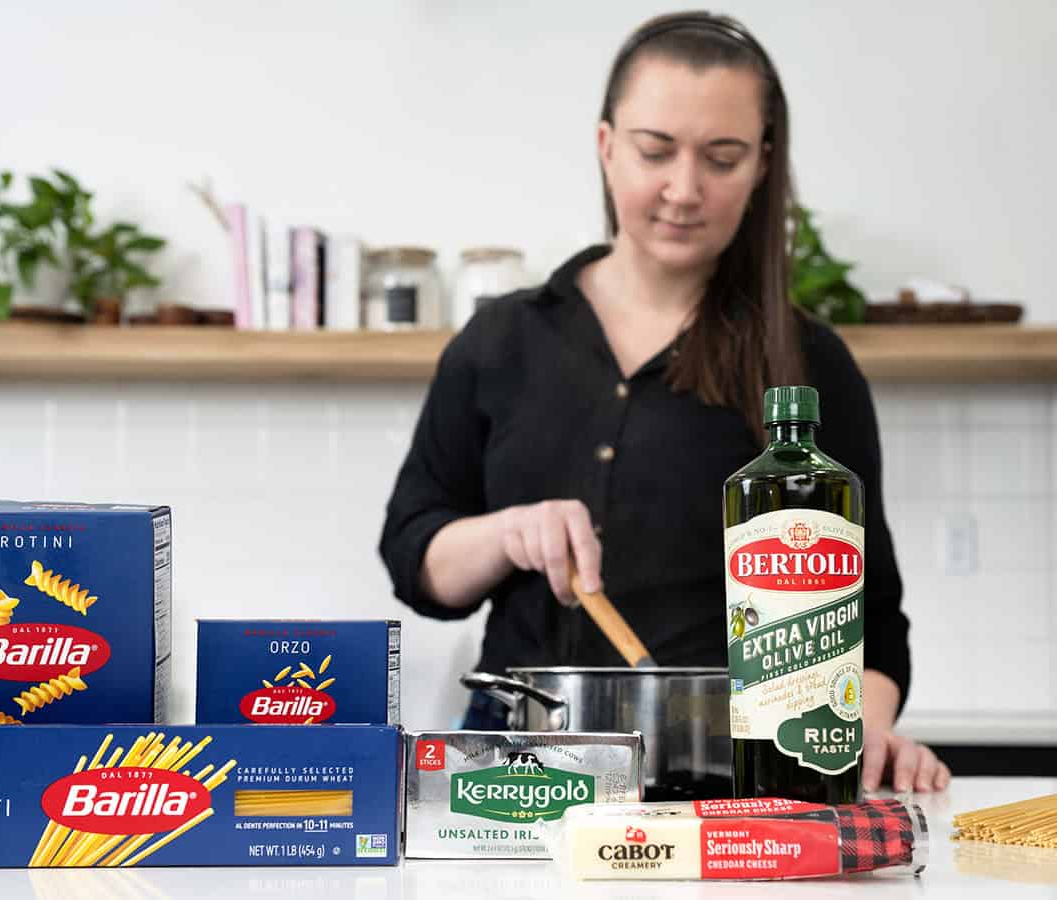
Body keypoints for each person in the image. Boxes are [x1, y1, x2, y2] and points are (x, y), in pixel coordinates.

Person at [379, 11, 950, 794]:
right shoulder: (501, 339)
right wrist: (509, 533)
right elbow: (416, 563)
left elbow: (873, 620)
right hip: (518, 770)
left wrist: (865, 735)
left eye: (722, 158)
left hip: (729, 774)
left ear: (762, 164)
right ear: (607, 145)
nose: (685, 190)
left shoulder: (806, 362)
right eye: (655, 151)